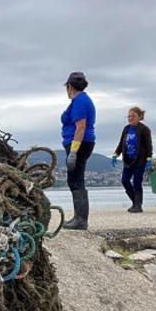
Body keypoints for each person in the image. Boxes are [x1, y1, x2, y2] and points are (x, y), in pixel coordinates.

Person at [60, 72, 96, 230]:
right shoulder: (82, 100)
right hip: (82, 142)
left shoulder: (80, 101)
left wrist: (73, 152)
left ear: (69, 86)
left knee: (75, 180)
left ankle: (81, 220)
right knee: (75, 180)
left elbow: (80, 127)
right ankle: (78, 217)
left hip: (79, 143)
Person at [111, 106, 153, 213]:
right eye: (129, 116)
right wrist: (116, 154)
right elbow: (121, 143)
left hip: (140, 160)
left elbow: (149, 145)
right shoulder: (126, 129)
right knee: (125, 181)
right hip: (128, 160)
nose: (130, 118)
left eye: (133, 116)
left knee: (137, 182)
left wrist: (149, 159)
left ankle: (138, 206)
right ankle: (135, 202)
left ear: (139, 117)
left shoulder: (144, 129)